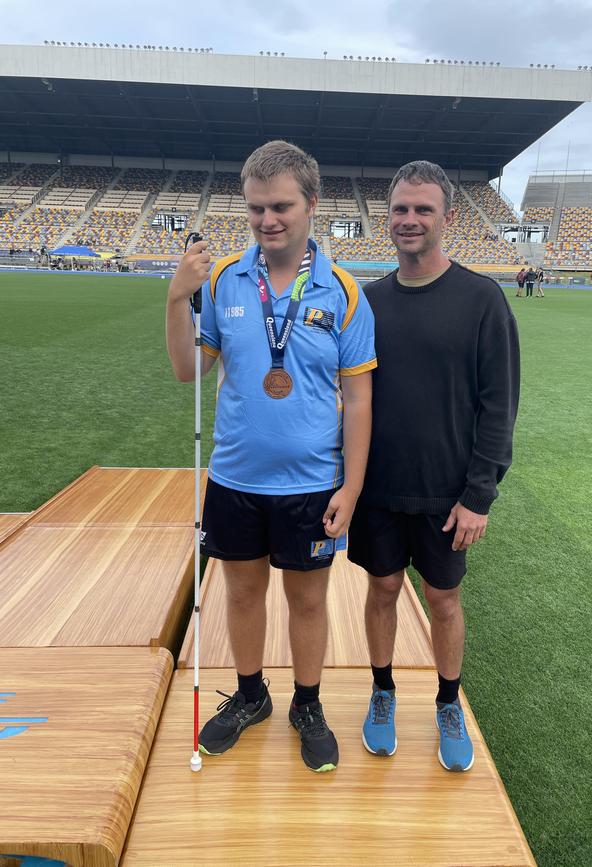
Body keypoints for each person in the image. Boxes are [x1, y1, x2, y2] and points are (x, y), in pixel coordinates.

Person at [166, 140, 376, 773]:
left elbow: (360, 401)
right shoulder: (225, 278)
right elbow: (187, 372)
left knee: (308, 601)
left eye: (281, 205)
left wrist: (352, 488)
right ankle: (252, 693)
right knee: (242, 593)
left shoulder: (343, 291)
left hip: (313, 483)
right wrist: (177, 298)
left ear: (312, 205)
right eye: (256, 208)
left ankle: (306, 704)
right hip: (234, 477)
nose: (268, 220)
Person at [348, 161, 519, 772]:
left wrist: (479, 495)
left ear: (447, 217)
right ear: (387, 218)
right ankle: (383, 692)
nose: (410, 220)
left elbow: (499, 403)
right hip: (380, 489)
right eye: (400, 209)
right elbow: (349, 397)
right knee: (383, 589)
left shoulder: (481, 300)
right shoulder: (368, 304)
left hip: (449, 492)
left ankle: (448, 703)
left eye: (423, 209)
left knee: (443, 601)